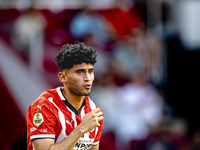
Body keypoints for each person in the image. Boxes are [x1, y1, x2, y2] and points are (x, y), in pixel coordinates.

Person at [26, 43, 104, 150]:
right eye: (80, 72)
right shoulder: (44, 106)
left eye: (90, 71)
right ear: (63, 77)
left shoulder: (94, 112)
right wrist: (81, 129)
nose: (87, 78)